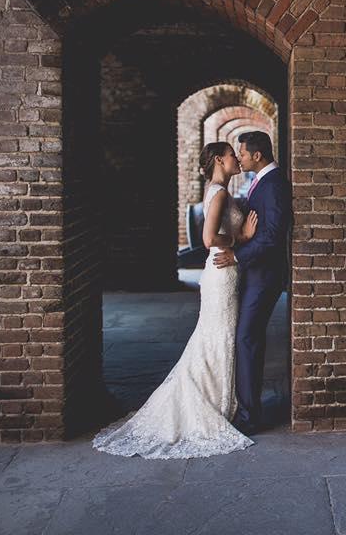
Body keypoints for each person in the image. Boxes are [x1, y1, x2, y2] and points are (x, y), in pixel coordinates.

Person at [92, 142, 259, 459]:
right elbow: (209, 240)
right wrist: (244, 239)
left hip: (222, 273)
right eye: (231, 155)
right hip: (222, 272)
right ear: (218, 161)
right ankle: (207, 403)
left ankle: (217, 400)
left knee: (216, 335)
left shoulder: (216, 189)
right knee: (217, 336)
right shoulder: (220, 193)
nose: (237, 159)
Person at [212, 131, 291, 435]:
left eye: (242, 154)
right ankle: (247, 408)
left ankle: (249, 416)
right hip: (255, 275)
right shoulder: (263, 183)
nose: (240, 158)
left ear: (257, 156)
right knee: (246, 338)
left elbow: (271, 237)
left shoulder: (273, 186)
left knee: (247, 339)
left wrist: (237, 256)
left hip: (264, 277)